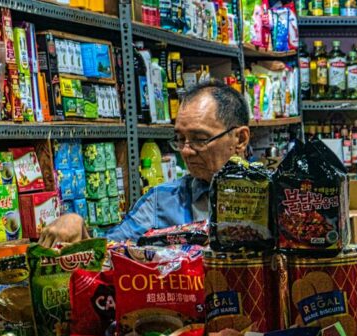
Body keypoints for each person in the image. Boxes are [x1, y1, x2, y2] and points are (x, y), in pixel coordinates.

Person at [38, 81, 252, 246]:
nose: (186, 150)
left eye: (200, 139)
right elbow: (107, 254)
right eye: (180, 139)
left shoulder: (268, 199)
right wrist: (76, 226)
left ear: (240, 139)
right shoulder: (161, 202)